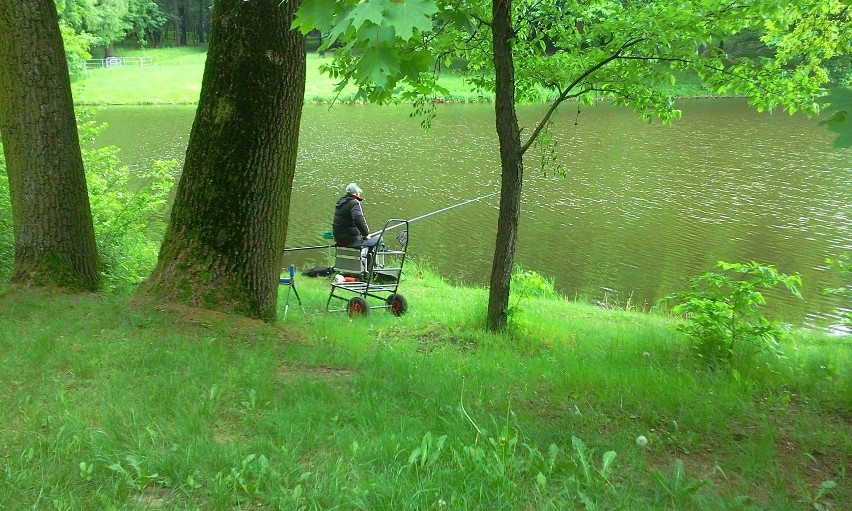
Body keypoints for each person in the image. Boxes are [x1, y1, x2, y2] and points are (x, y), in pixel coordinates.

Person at [332, 183, 380, 249]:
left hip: (339, 240)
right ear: (356, 193)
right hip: (352, 240)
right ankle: (371, 259)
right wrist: (366, 235)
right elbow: (358, 219)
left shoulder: (340, 202)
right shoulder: (354, 203)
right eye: (359, 193)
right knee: (379, 238)